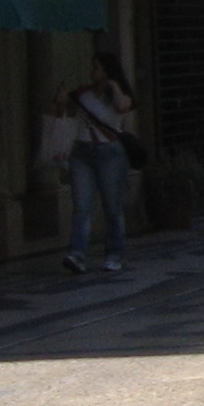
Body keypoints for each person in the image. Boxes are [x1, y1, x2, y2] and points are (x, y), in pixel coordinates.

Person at [61, 51, 135, 274]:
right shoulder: (84, 93)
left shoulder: (118, 93)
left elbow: (124, 107)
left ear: (106, 71)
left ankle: (115, 254)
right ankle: (77, 253)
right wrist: (61, 100)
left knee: (111, 206)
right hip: (82, 151)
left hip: (109, 152)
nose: (91, 72)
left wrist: (113, 86)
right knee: (82, 206)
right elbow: (67, 111)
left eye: (96, 68)